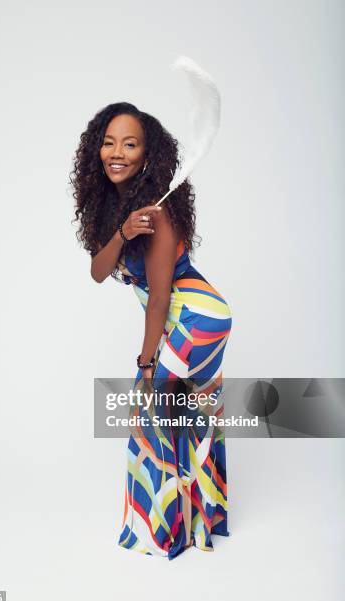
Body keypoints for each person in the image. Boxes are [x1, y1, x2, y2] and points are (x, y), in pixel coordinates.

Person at [71, 102, 233, 559]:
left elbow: (160, 297)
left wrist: (145, 363)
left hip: (200, 320)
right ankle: (199, 526)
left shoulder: (159, 214)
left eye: (129, 144)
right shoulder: (119, 212)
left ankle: (162, 533)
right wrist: (121, 233)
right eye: (108, 142)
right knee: (187, 417)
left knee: (153, 416)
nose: (116, 152)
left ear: (147, 155)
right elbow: (98, 272)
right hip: (181, 321)